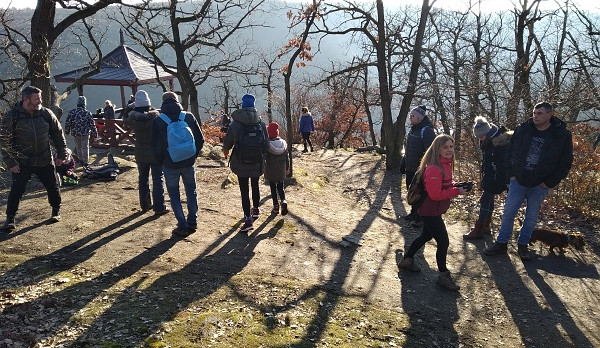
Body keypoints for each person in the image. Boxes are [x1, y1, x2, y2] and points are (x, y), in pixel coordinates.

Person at [484, 102, 573, 260]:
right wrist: (511, 174)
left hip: (540, 184)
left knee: (531, 217)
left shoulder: (562, 135)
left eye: (540, 113)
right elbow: (509, 152)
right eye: (534, 112)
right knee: (508, 213)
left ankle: (523, 245)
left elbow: (565, 163)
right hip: (518, 180)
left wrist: (549, 182)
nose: (535, 116)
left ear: (550, 115)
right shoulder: (524, 129)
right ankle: (501, 243)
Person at [397, 134, 469, 291]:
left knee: (426, 235)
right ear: (437, 149)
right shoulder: (434, 168)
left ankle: (406, 261)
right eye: (445, 147)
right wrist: (456, 191)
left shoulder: (446, 164)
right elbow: (435, 195)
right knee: (443, 242)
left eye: (451, 146)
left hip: (434, 210)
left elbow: (445, 184)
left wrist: (458, 185)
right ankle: (443, 276)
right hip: (429, 211)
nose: (449, 150)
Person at [0, 86, 68, 230]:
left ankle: (56, 211)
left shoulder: (46, 114)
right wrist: (11, 162)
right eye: (37, 98)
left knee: (52, 186)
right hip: (22, 161)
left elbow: (58, 134)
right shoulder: (12, 116)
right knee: (17, 189)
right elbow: (4, 141)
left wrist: (61, 155)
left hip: (44, 158)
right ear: (26, 99)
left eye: (40, 98)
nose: (40, 101)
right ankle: (10, 219)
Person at [151, 91, 204, 237]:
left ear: (163, 102)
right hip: (188, 162)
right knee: (191, 190)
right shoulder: (188, 116)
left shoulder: (159, 120)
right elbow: (200, 139)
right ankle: (192, 221)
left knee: (174, 193)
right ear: (177, 101)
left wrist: (162, 161)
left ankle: (182, 225)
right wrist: (193, 155)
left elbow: (155, 146)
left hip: (170, 163)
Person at [222, 94, 269, 232]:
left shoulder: (235, 123)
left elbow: (228, 142)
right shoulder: (260, 123)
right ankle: (256, 209)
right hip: (256, 162)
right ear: (253, 106)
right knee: (255, 185)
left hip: (240, 162)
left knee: (244, 190)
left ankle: (247, 219)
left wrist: (225, 151)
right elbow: (266, 143)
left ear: (243, 106)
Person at [463, 116, 511, 240]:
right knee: (489, 200)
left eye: (481, 136)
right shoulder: (487, 139)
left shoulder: (502, 140)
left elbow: (504, 161)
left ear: (487, 132)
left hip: (499, 175)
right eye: (478, 137)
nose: (480, 139)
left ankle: (479, 228)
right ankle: (485, 226)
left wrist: (505, 179)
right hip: (490, 173)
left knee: (485, 199)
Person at [124, 90, 169, 215]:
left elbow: (124, 118)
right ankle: (160, 207)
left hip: (140, 152)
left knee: (143, 179)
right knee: (158, 178)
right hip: (155, 152)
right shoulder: (155, 118)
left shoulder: (133, 119)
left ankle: (145, 204)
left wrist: (129, 107)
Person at [400, 105, 436, 227]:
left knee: (420, 193)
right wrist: (403, 163)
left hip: (420, 170)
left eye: (413, 116)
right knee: (412, 191)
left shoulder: (427, 131)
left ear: (420, 118)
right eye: (410, 115)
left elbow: (430, 152)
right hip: (410, 168)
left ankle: (420, 218)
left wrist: (425, 169)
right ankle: (414, 213)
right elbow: (408, 148)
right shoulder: (413, 129)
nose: (410, 117)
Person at [64, 95, 97, 168]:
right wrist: (95, 134)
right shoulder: (87, 113)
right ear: (84, 103)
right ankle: (85, 163)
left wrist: (66, 131)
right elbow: (92, 124)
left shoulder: (72, 112)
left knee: (78, 147)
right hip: (85, 133)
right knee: (85, 147)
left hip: (75, 133)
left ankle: (80, 160)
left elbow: (68, 123)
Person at [265, 122, 289, 215]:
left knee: (273, 188)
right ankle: (283, 200)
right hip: (281, 170)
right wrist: (287, 168)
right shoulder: (284, 144)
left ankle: (275, 206)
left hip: (271, 170)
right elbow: (287, 158)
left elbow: (265, 157)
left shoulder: (268, 145)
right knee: (280, 187)